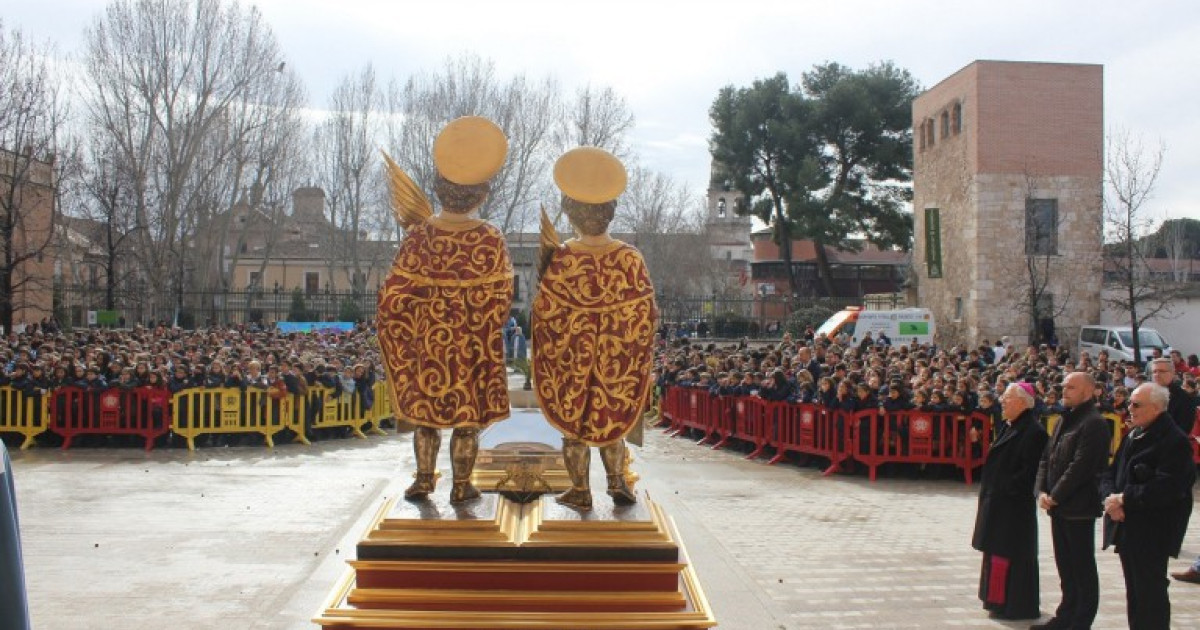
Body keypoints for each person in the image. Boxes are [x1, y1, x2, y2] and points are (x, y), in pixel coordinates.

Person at [377, 116, 514, 503]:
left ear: (438, 191)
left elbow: (394, 295)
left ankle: (424, 479)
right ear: (482, 195)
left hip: (428, 347)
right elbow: (501, 298)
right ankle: (460, 484)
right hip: (470, 348)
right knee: (466, 419)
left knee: (426, 415)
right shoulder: (489, 238)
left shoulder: (420, 235)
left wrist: (419, 320)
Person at [532, 146, 657, 510]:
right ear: (610, 213)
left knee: (573, 424)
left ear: (571, 213)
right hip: (616, 360)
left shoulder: (565, 257)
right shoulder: (629, 257)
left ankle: (580, 490)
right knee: (611, 417)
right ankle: (617, 483)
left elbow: (546, 313)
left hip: (572, 360)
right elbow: (646, 313)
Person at [1099, 382, 1195, 630]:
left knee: (1150, 593)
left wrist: (1124, 498)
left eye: (1136, 404)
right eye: (1130, 402)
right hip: (1126, 525)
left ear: (1156, 408)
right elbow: (1111, 473)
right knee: (1135, 592)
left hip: (1152, 530)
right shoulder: (1134, 433)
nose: (1129, 408)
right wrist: (1111, 500)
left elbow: (1169, 487)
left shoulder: (1174, 440)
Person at [1033, 371, 1110, 630]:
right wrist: (1041, 491)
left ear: (1088, 392)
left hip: (1078, 506)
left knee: (1081, 568)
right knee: (1065, 567)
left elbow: (1082, 466)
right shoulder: (1063, 420)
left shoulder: (1094, 423)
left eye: (1071, 387)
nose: (1064, 391)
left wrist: (1056, 495)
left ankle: (1080, 621)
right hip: (1059, 507)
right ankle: (1065, 616)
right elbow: (1046, 457)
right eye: (1064, 387)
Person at [973, 382, 1049, 620]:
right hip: (999, 502)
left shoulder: (1033, 431)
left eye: (1007, 398)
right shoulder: (1010, 425)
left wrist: (1003, 488)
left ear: (1022, 402)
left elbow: (1028, 472)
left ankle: (1015, 605)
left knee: (1012, 556)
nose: (1002, 402)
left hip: (1013, 505)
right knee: (997, 553)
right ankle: (997, 601)